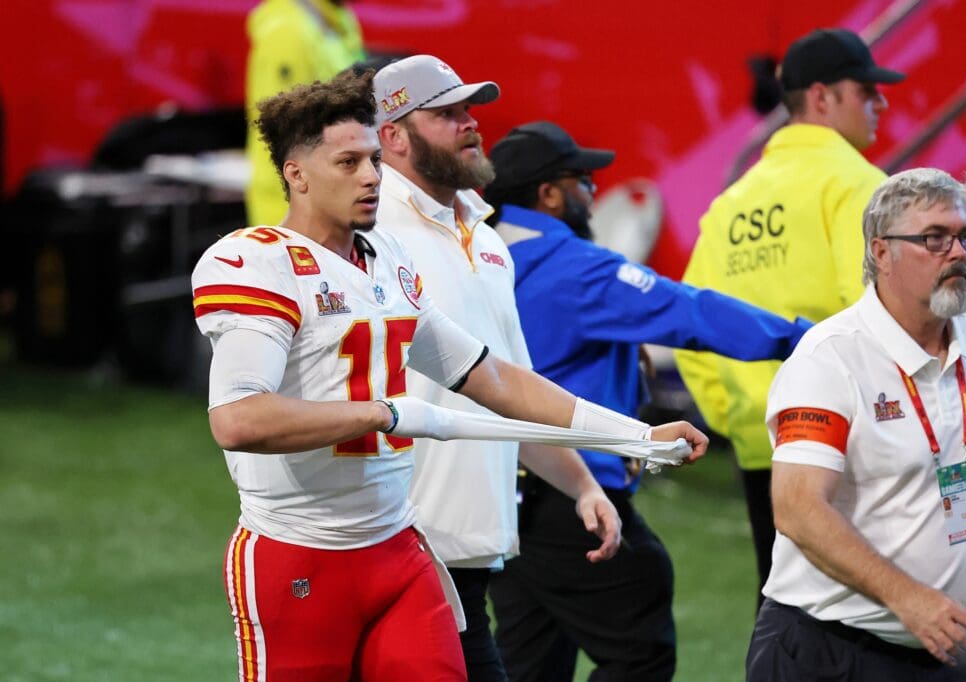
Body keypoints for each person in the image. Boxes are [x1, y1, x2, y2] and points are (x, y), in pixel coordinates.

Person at [191, 70, 707, 681]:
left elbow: (495, 379)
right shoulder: (258, 262)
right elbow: (238, 418)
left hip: (396, 548)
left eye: (374, 160)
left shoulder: (388, 259)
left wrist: (634, 437)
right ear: (296, 174)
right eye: (348, 161)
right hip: (299, 550)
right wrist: (380, 413)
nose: (370, 176)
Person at [481, 120, 814, 682]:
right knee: (640, 644)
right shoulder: (576, 268)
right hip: (574, 492)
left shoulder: (476, 259)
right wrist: (802, 337)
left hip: (497, 493)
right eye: (583, 179)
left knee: (529, 662)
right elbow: (690, 312)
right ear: (550, 193)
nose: (593, 193)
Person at [371, 55, 622, 682]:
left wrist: (582, 485)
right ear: (392, 136)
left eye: (469, 110)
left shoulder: (484, 238)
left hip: (468, 553)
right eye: (447, 113)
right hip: (399, 549)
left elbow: (509, 388)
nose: (469, 124)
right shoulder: (370, 233)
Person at [746, 168, 966, 681]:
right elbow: (798, 509)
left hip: (949, 646)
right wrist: (908, 599)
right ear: (881, 252)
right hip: (829, 652)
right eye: (933, 239)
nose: (957, 252)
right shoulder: (830, 357)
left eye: (964, 236)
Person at [674, 27, 905, 602]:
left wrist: (740, 416)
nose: (881, 102)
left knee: (783, 612)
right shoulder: (860, 185)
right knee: (875, 616)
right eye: (866, 90)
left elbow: (690, 323)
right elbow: (892, 311)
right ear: (823, 97)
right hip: (856, 446)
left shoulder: (729, 203)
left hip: (763, 441)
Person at [244, 0, 366, 226]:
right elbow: (286, 127)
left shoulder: (339, 21)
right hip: (289, 200)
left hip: (331, 194)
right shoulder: (287, 31)